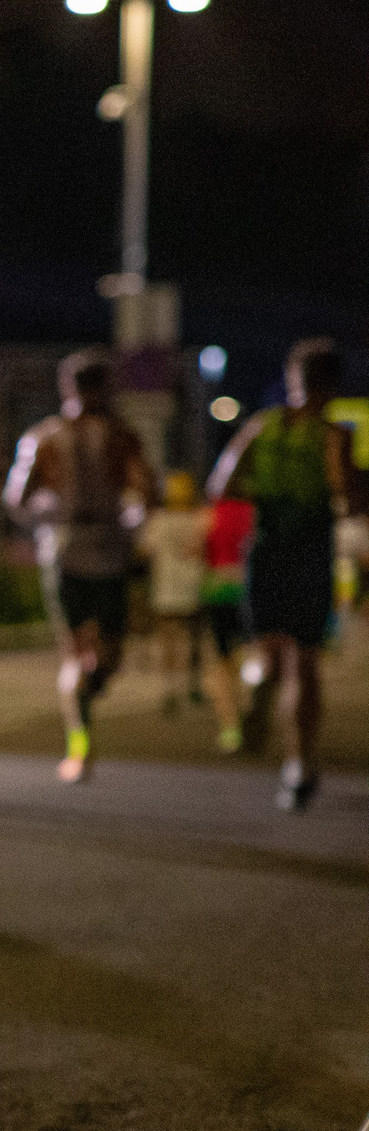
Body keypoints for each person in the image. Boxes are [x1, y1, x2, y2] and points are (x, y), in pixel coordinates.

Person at [209, 339, 361, 810]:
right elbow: (344, 492)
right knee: (306, 663)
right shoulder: (335, 434)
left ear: (292, 380)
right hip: (311, 553)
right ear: (332, 385)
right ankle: (299, 764)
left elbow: (222, 484)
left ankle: (257, 681)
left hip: (267, 550)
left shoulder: (260, 427)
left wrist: (265, 490)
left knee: (269, 652)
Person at [6, 348, 154, 784]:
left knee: (93, 655)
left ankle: (82, 727)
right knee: (88, 653)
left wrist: (49, 515)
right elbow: (150, 492)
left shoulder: (87, 437)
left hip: (85, 547)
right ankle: (81, 741)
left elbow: (18, 500)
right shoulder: (63, 438)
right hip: (85, 548)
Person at [139, 471, 211, 715]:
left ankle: (170, 688)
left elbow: (143, 551)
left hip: (166, 590)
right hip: (196, 587)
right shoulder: (201, 519)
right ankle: (194, 684)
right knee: (195, 641)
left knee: (169, 641)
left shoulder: (158, 520)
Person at [200, 491, 258, 751]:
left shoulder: (210, 515)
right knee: (251, 654)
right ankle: (251, 709)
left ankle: (230, 728)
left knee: (223, 663)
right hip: (249, 588)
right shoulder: (255, 512)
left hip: (219, 589)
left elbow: (200, 552)